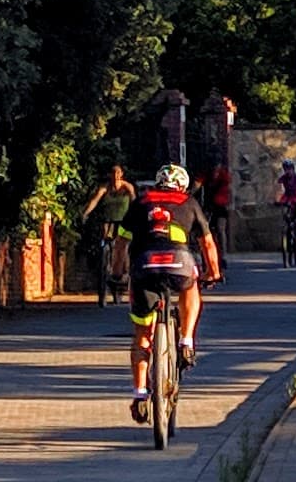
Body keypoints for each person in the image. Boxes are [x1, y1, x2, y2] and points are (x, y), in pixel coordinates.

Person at [119, 163, 221, 425]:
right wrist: (214, 272)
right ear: (182, 186)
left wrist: (118, 272)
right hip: (179, 264)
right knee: (191, 285)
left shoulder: (141, 202)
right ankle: (186, 340)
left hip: (144, 267)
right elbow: (207, 242)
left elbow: (121, 241)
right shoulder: (189, 203)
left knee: (142, 335)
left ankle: (140, 394)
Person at [81, 163, 138, 298]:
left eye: (118, 173)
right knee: (104, 242)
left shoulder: (127, 187)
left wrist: (137, 215)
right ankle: (103, 265)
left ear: (122, 174)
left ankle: (123, 272)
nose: (115, 176)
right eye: (113, 173)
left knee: (123, 246)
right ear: (109, 175)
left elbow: (135, 201)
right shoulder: (105, 188)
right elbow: (95, 201)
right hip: (107, 220)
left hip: (124, 222)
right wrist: (86, 213)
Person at [278, 156, 296, 255]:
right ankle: (286, 236)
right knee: (286, 219)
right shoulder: (283, 178)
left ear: (292, 169)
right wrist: (275, 199)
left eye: (289, 168)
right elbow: (277, 188)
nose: (288, 171)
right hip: (288, 200)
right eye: (286, 169)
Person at [208, 162, 232, 265]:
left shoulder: (224, 177)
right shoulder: (208, 176)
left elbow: (229, 189)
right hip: (209, 206)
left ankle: (223, 254)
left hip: (220, 206)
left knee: (220, 229)